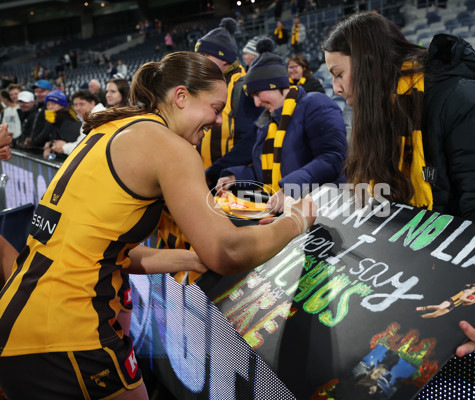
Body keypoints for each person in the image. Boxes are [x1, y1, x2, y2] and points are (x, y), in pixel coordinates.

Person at [0, 51, 316, 399]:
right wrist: (296, 220)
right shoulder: (168, 146)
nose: (218, 118)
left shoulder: (110, 128)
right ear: (181, 97)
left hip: (17, 322)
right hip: (68, 331)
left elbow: (105, 250)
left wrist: (190, 259)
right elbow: (228, 250)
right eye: (215, 106)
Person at [321, 12, 475, 356]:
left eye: (339, 74)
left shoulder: (461, 100)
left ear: (369, 64)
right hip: (432, 261)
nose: (336, 88)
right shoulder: (382, 117)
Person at [218, 38, 347, 213]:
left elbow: (332, 158)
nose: (256, 103)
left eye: (258, 94)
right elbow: (266, 174)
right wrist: (236, 177)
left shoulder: (316, 104)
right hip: (284, 213)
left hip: (324, 210)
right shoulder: (266, 123)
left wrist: (289, 188)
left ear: (277, 86)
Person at [194, 17, 262, 187]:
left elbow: (250, 142)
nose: (199, 61)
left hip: (229, 182)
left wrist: (214, 172)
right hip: (205, 179)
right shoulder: (209, 85)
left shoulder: (244, 87)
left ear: (223, 58)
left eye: (204, 55)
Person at [50, 89, 106, 156]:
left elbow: (83, 149)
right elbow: (81, 143)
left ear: (92, 103)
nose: (78, 108)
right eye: (75, 105)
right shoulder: (91, 117)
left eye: (81, 104)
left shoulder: (96, 118)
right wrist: (64, 145)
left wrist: (63, 147)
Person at [31, 89, 81, 159]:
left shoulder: (67, 120)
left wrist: (51, 145)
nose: (50, 107)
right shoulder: (55, 119)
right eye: (48, 104)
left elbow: (68, 143)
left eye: (54, 104)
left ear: (62, 105)